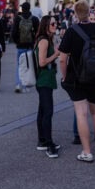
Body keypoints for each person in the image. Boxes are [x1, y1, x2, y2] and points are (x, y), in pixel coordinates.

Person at [58, 0, 95, 163]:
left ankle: (87, 151)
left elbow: (62, 59)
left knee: (81, 113)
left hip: (77, 77)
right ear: (89, 12)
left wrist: (64, 76)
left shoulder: (72, 31)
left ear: (75, 14)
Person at [34, 15, 61, 158]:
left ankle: (42, 140)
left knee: (43, 111)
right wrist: (56, 54)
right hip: (44, 79)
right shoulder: (43, 40)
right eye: (52, 24)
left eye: (55, 23)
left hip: (45, 79)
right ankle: (49, 144)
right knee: (48, 112)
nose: (55, 26)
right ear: (45, 25)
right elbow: (42, 62)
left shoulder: (46, 39)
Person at [12, 2, 39, 92]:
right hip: (30, 45)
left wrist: (17, 42)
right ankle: (28, 84)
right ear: (29, 8)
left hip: (20, 45)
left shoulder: (17, 19)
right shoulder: (34, 19)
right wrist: (34, 42)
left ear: (22, 9)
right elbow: (38, 33)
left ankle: (18, 84)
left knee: (20, 65)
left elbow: (13, 33)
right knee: (30, 64)